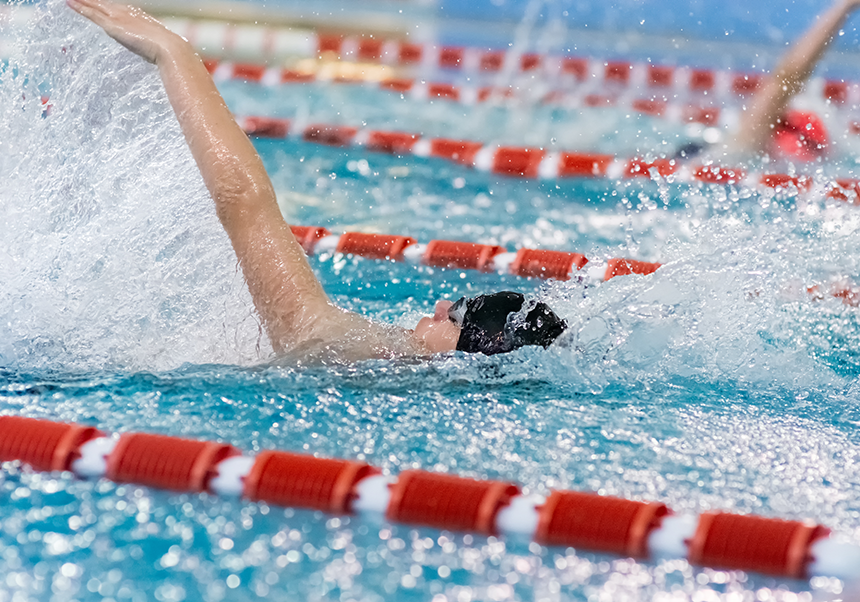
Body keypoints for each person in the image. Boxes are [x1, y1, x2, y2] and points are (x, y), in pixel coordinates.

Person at [65, 0, 568, 362]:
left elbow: (243, 202)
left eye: (458, 313)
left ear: (470, 352)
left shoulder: (354, 353)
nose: (439, 305)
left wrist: (172, 52)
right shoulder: (384, 367)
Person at [729, 0, 860, 161]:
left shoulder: (742, 153)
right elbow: (785, 80)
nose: (795, 144)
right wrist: (845, 6)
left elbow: (784, 82)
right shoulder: (741, 147)